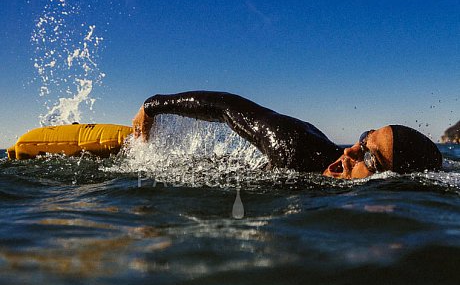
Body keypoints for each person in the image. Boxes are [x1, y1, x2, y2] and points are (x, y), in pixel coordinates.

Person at [132, 91, 442, 179]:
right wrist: (152, 107)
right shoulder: (292, 145)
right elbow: (226, 107)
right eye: (363, 140)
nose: (349, 152)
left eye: (370, 158)